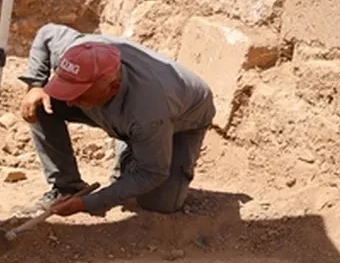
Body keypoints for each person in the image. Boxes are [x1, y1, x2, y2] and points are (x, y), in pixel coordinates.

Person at [17, 23, 215, 218]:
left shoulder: (147, 112)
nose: (70, 101)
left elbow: (153, 173)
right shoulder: (75, 54)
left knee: (160, 203)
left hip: (184, 118)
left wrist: (88, 204)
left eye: (79, 95)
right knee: (42, 104)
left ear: (112, 87)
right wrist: (35, 85)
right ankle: (66, 187)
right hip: (133, 112)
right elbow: (47, 33)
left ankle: (134, 150)